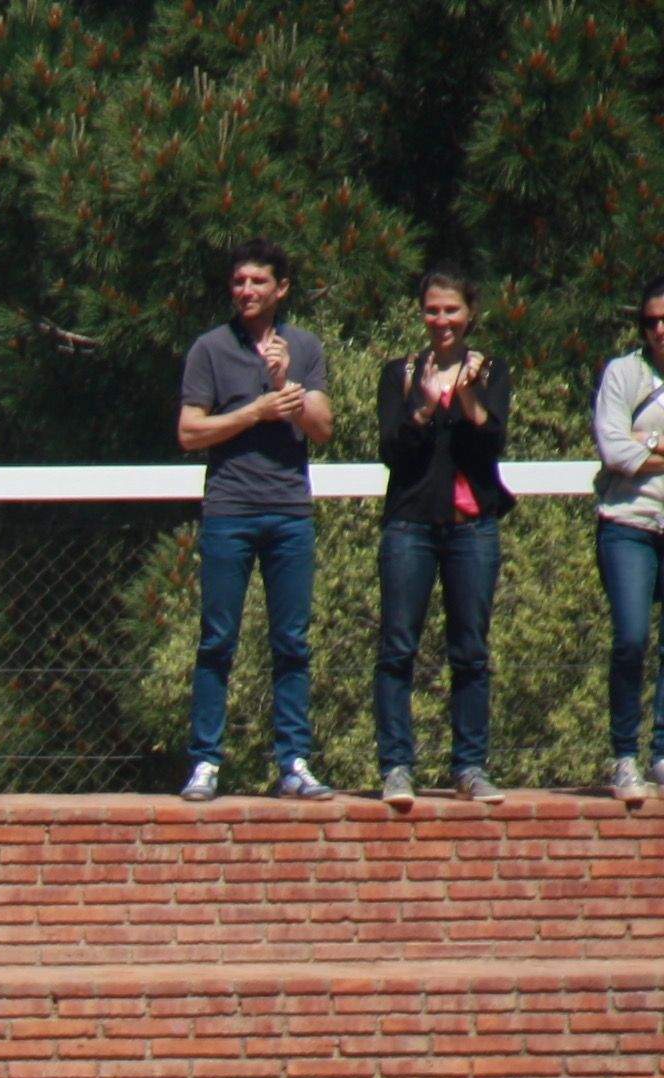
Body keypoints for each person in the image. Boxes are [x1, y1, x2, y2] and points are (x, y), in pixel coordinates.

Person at [177, 240, 339, 803]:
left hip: (290, 512)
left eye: (258, 281)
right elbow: (189, 431)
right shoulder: (209, 349)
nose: (247, 291)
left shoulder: (304, 346)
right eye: (239, 281)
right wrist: (254, 412)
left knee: (291, 642)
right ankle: (205, 762)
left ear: (281, 288)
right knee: (217, 640)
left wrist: (285, 383)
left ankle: (293, 761)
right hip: (229, 511)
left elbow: (322, 428)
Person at [373, 269, 511, 809]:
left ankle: (469, 766)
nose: (442, 320)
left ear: (469, 313)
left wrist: (468, 394)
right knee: (397, 649)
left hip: (472, 527)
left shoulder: (491, 370)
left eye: (451, 309)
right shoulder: (401, 373)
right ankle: (396, 767)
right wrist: (424, 407)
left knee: (471, 651)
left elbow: (492, 441)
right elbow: (392, 450)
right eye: (432, 310)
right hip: (410, 524)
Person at [594, 277, 664, 810]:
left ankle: (661, 751)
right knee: (632, 636)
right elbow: (615, 452)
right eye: (650, 321)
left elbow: (633, 450)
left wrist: (648, 445)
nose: (659, 330)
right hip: (628, 523)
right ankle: (624, 754)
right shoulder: (624, 373)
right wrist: (642, 446)